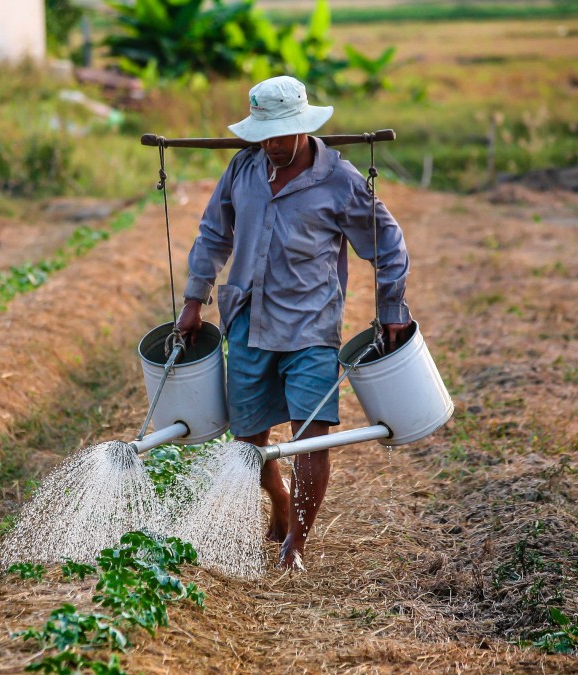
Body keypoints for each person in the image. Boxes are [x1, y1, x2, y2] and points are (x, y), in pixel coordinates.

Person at [176, 75, 412, 571]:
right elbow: (213, 235)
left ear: (304, 128)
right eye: (265, 135)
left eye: (282, 135)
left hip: (311, 326)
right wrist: (194, 300)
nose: (273, 145)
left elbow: (388, 246)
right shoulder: (243, 169)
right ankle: (279, 500)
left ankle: (295, 547)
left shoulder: (340, 181)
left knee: (312, 435)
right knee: (249, 441)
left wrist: (391, 309)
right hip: (246, 320)